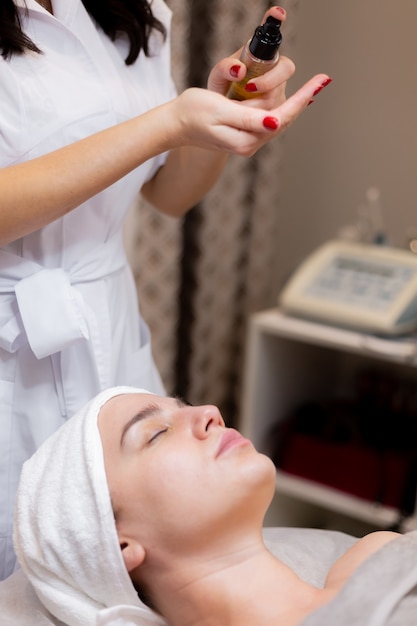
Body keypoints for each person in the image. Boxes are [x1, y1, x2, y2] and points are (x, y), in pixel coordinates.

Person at [0, 0, 332, 578]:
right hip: (13, 338)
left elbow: (169, 194)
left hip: (108, 326)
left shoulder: (130, 8)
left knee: (136, 566)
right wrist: (167, 123)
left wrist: (220, 115)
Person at [13, 386, 417, 626]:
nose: (210, 413)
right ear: (117, 548)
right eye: (155, 434)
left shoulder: (378, 553)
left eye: (184, 404)